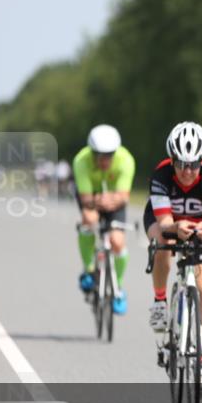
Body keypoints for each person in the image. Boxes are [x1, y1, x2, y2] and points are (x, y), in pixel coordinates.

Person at [144, 122, 202, 395]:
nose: (188, 171)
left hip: (201, 229)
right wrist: (175, 228)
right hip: (168, 223)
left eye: (193, 165)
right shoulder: (161, 175)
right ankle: (159, 300)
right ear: (172, 160)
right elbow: (164, 220)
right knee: (163, 241)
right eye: (181, 164)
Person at [72, 125, 136, 315]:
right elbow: (86, 199)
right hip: (92, 199)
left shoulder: (126, 160)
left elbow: (123, 196)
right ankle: (89, 269)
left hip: (115, 203)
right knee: (88, 219)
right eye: (99, 155)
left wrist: (111, 200)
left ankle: (118, 288)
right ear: (92, 152)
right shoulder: (81, 161)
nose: (104, 159)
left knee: (117, 241)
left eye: (109, 155)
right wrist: (99, 202)